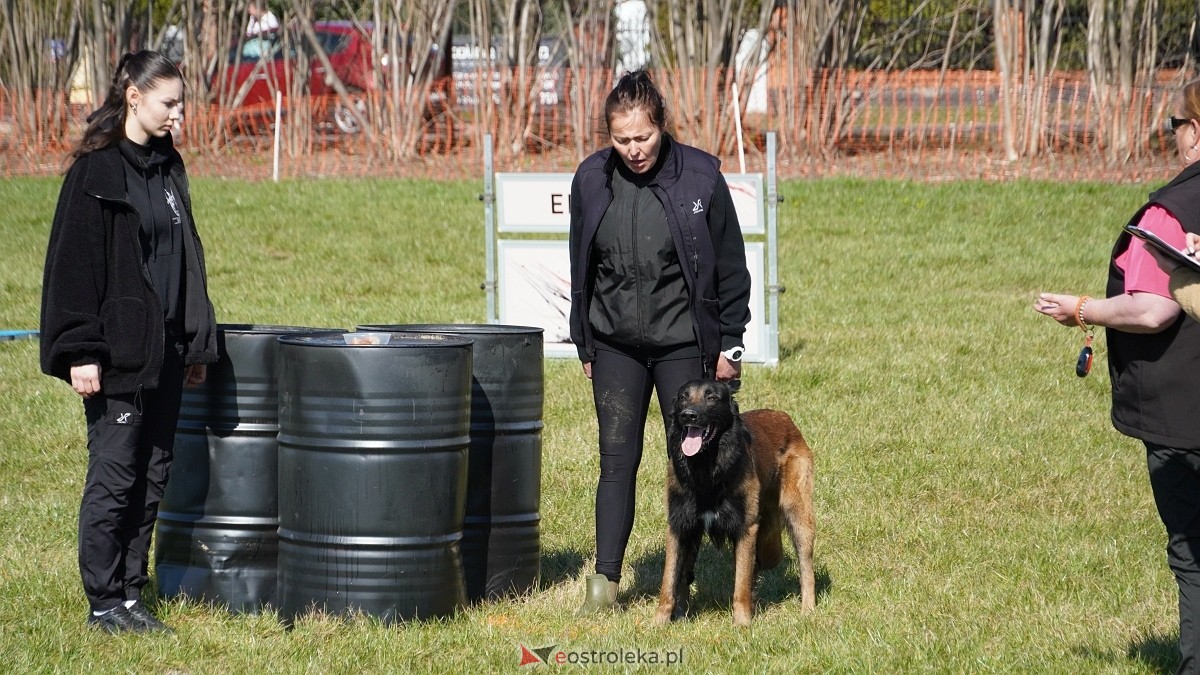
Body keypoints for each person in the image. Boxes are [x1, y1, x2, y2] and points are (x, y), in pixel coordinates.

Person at [40, 50, 218, 634]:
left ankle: (131, 594)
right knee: (115, 476)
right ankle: (103, 602)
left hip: (166, 351)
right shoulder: (95, 172)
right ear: (134, 97)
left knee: (153, 473)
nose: (178, 114)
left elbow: (185, 259)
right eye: (169, 103)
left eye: (181, 103)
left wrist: (196, 342)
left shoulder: (168, 167)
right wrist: (80, 350)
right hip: (116, 355)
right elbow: (73, 267)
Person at [568, 70, 752, 615]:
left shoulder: (700, 177)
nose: (633, 150)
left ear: (662, 126)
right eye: (621, 139)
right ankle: (604, 584)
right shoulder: (591, 179)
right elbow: (581, 265)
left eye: (643, 137)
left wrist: (730, 344)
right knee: (616, 459)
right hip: (615, 344)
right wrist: (585, 342)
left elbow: (730, 266)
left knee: (694, 459)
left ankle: (683, 576)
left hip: (684, 343)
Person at [1035, 78, 1200, 674]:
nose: (1174, 135)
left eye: (1174, 124)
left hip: (1184, 417)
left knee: (1193, 549)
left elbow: (1152, 310)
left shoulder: (1173, 210)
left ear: (1195, 131)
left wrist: (1082, 309)